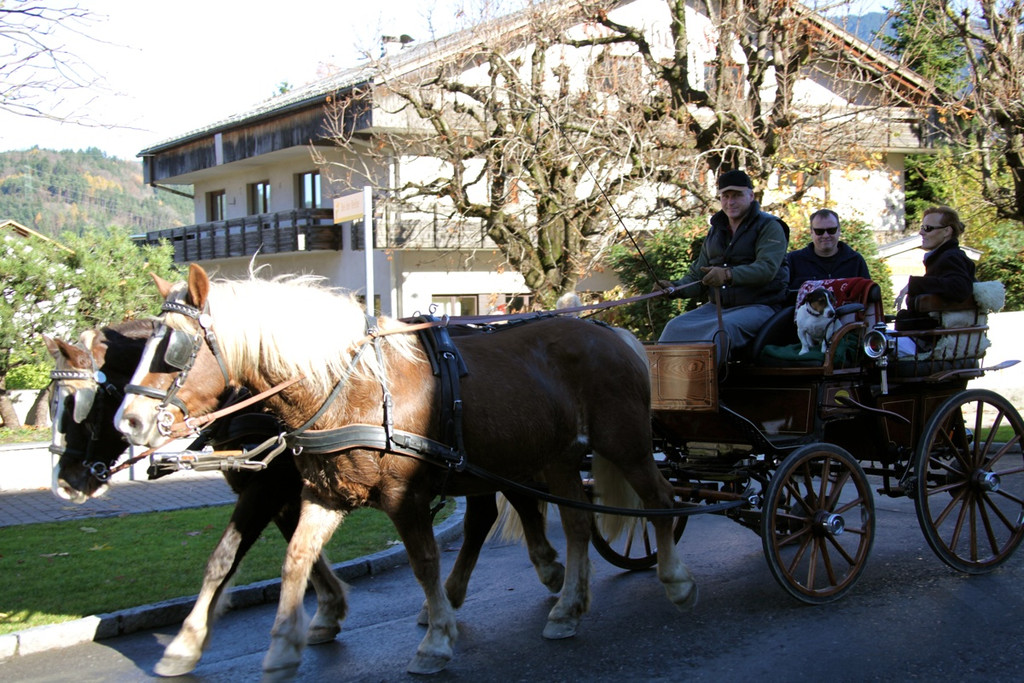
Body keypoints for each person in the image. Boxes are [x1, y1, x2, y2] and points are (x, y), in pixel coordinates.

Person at [658, 169, 790, 363]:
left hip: (761, 306)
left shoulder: (770, 226)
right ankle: (665, 381)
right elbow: (698, 275)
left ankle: (703, 382)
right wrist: (673, 288)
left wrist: (728, 274)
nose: (730, 202)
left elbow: (766, 269)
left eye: (737, 195)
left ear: (751, 196)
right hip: (718, 307)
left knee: (721, 331)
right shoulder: (716, 231)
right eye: (725, 196)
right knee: (674, 327)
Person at [894, 205, 976, 355]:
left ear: (947, 231)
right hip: (923, 340)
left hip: (929, 345)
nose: (921, 232)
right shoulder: (943, 257)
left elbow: (960, 288)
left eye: (928, 228)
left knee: (866, 350)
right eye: (922, 227)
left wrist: (914, 285)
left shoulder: (951, 257)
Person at [786, 209, 870, 292]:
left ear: (839, 230)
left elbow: (867, 295)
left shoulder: (855, 261)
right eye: (819, 231)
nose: (826, 235)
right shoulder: (793, 261)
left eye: (831, 230)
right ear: (811, 232)